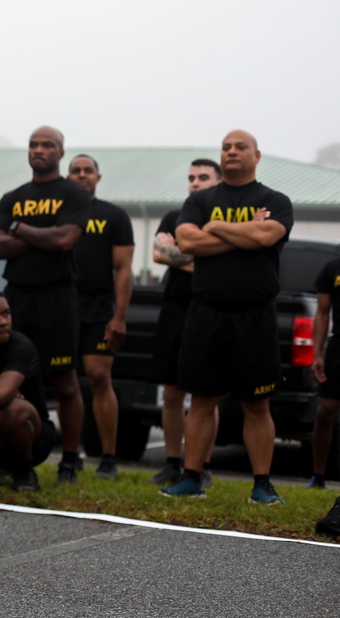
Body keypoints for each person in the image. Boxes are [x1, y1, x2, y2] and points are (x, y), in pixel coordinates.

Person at [161, 130, 293, 505]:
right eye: (226, 147)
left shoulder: (275, 200)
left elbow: (267, 237)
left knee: (257, 404)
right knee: (201, 399)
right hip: (206, 314)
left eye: (240, 147)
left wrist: (215, 227)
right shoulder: (201, 200)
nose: (232, 152)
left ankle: (262, 485)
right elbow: (187, 242)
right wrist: (245, 231)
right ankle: (191, 479)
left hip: (256, 316)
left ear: (257, 155)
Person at [0, 126, 90, 484]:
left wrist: (20, 229)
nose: (39, 149)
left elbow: (65, 240)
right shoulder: (12, 196)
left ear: (61, 152)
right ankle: (16, 457)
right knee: (14, 380)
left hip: (57, 298)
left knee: (64, 383)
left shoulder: (73, 194)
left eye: (47, 145)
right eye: (34, 144)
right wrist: (40, 234)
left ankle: (70, 459)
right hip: (17, 297)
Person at [149, 159, 222, 486]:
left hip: (207, 309)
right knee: (171, 392)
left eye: (203, 177)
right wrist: (203, 256)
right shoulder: (175, 217)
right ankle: (173, 463)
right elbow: (158, 253)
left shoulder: (223, 220)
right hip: (173, 310)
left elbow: (225, 262)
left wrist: (178, 251)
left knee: (205, 393)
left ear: (219, 182)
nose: (195, 182)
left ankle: (201, 466)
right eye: (191, 177)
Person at [67, 154, 134, 479]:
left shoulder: (113, 215)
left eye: (87, 170)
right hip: (61, 306)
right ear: (67, 177)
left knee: (98, 376)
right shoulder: (58, 214)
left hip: (98, 309)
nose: (82, 175)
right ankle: (70, 454)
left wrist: (119, 317)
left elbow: (123, 270)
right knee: (62, 380)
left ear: (98, 176)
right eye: (76, 171)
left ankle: (108, 456)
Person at [0, 288, 57, 491]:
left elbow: (1, 395)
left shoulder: (21, 346)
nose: (3, 322)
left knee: (11, 408)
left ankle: (24, 473)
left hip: (33, 439)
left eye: (6, 314)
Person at [308, 253, 340, 493]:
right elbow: (322, 313)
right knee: (326, 411)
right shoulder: (334, 269)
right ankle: (318, 476)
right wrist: (317, 354)